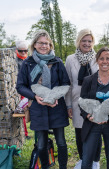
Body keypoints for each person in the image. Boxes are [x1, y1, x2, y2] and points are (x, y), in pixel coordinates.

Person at [16, 30, 70, 169]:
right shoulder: (27, 63)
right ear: (34, 44)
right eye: (40, 43)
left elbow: (65, 82)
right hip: (38, 107)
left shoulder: (57, 62)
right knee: (41, 145)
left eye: (46, 43)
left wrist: (55, 96)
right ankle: (45, 166)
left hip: (56, 106)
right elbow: (20, 86)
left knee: (61, 142)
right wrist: (35, 96)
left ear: (50, 45)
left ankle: (63, 167)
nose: (44, 46)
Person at [80, 47, 109, 169]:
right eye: (101, 58)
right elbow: (82, 103)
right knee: (86, 160)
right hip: (93, 124)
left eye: (108, 58)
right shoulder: (88, 80)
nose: (104, 61)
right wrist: (87, 115)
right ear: (97, 61)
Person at [65, 28, 101, 169]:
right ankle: (82, 159)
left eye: (89, 41)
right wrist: (68, 105)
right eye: (84, 40)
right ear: (79, 41)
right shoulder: (70, 59)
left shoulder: (98, 57)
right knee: (80, 131)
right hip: (76, 101)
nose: (86, 44)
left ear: (93, 42)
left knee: (96, 129)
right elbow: (68, 83)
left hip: (95, 101)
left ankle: (95, 161)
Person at [15, 40, 30, 139]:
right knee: (23, 110)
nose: (24, 53)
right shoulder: (16, 61)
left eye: (25, 50)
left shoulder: (28, 59)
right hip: (22, 89)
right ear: (17, 51)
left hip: (29, 88)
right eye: (21, 51)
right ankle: (25, 133)